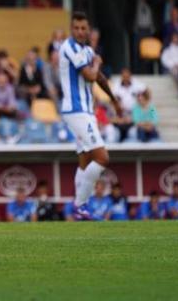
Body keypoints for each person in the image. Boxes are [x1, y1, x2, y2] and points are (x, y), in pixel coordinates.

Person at [59, 11, 122, 221]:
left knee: (85, 161)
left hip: (86, 112)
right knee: (103, 158)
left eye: (83, 28)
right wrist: (97, 62)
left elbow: (100, 78)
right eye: (76, 28)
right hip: (76, 112)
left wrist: (113, 99)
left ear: (88, 30)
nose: (79, 31)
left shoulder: (87, 51)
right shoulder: (68, 47)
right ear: (71, 29)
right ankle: (80, 205)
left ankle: (79, 211)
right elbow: (90, 74)